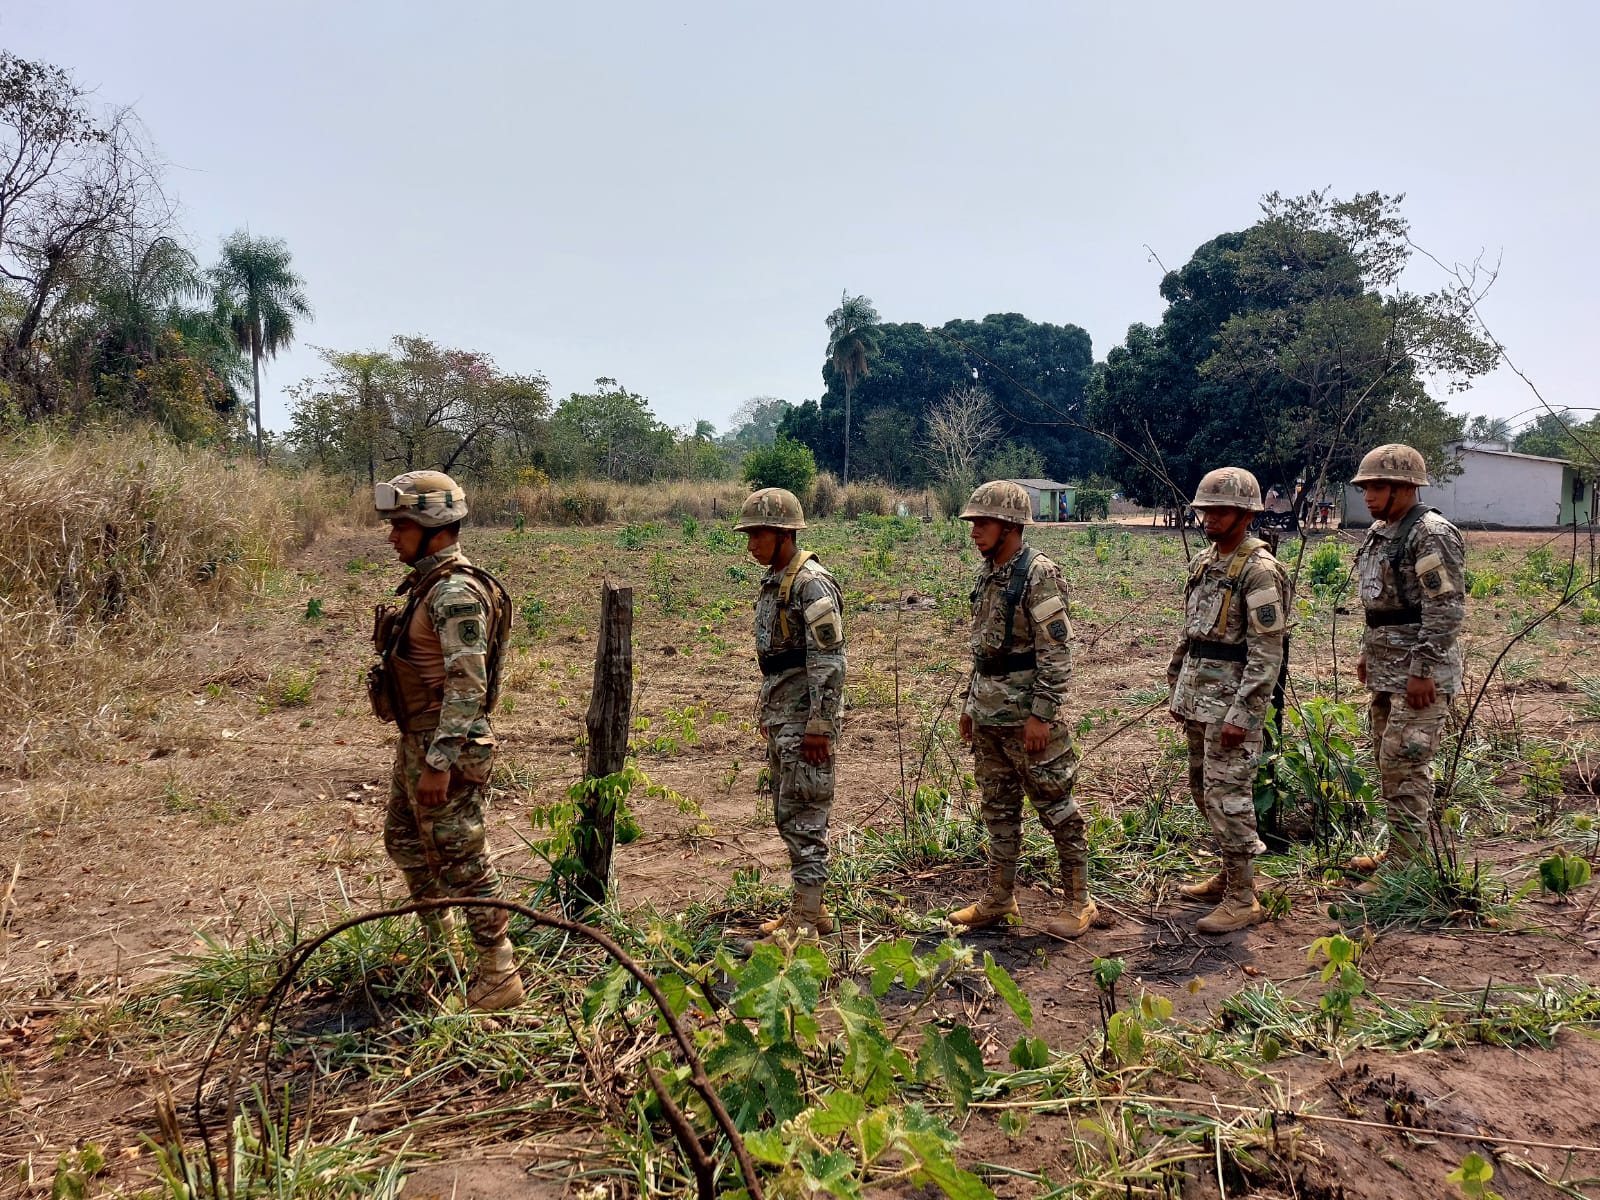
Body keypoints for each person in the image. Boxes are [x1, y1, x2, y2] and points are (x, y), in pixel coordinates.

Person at [367, 471, 523, 1009]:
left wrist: (440, 761)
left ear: (433, 527)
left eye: (402, 525)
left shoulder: (456, 592)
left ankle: (498, 975)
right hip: (421, 740)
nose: (392, 536)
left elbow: (467, 684)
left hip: (447, 746)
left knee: (463, 860)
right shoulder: (429, 586)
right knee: (406, 843)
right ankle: (444, 954)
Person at [953, 481, 1096, 939]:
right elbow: (984, 648)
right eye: (973, 522)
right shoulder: (989, 572)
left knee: (1056, 807)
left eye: (983, 522)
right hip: (990, 713)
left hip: (1026, 718)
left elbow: (1056, 651)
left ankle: (1079, 900)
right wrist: (970, 705)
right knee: (998, 808)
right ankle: (1000, 896)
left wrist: (1043, 714)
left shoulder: (1038, 574)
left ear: (1011, 525)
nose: (974, 530)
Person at [1167, 467, 1292, 934]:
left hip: (1232, 704)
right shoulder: (1205, 562)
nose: (1210, 518)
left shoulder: (1259, 571)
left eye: (1220, 511)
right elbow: (1192, 634)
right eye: (1206, 510)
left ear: (1244, 514)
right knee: (1204, 791)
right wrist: (1178, 686)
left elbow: (1267, 652)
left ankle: (1244, 896)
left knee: (1230, 796)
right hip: (1199, 698)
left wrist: (1245, 712)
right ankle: (1227, 874)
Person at [1349, 444, 1465, 888]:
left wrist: (1423, 670)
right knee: (1389, 762)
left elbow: (1446, 608)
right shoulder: (1383, 531)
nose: (1368, 496)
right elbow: (1381, 601)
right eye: (1365, 487)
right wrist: (1368, 651)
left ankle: (1408, 866)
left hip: (1419, 676)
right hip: (1388, 667)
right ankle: (1402, 851)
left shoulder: (1430, 534)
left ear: (1405, 487)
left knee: (1407, 764)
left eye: (1378, 486)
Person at [734, 487, 846, 943]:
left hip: (805, 721)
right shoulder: (778, 581)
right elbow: (780, 659)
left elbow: (829, 660)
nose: (751, 545)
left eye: (758, 534)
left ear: (784, 534)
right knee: (790, 813)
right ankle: (808, 908)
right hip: (786, 712)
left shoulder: (810, 583)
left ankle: (807, 918)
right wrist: (771, 710)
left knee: (804, 815)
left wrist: (820, 726)